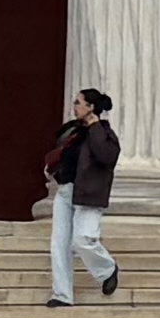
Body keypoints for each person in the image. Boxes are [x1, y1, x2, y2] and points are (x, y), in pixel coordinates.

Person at [44, 91, 125, 307]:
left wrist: (94, 126)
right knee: (59, 244)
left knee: (83, 239)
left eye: (78, 103)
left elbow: (106, 156)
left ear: (90, 107)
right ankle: (61, 295)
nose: (74, 106)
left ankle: (107, 269)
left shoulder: (103, 134)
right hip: (65, 192)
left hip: (88, 193)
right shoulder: (73, 131)